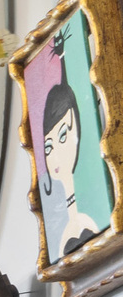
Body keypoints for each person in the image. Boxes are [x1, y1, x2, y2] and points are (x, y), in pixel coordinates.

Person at [40, 78, 111, 259]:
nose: (55, 154)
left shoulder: (95, 214)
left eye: (63, 135)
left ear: (78, 130)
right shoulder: (57, 233)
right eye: (48, 147)